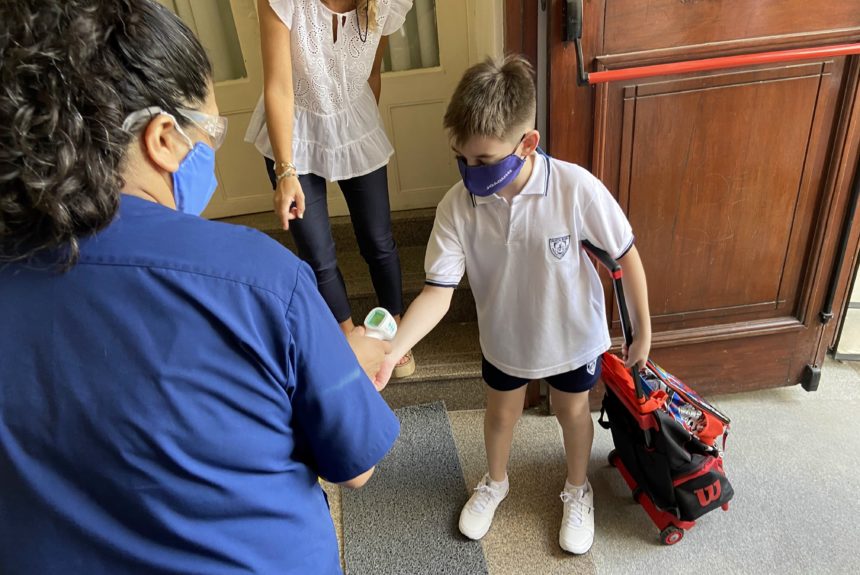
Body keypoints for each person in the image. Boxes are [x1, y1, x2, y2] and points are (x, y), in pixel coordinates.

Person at [0, 2, 398, 573]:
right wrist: (346, 361)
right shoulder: (261, 281)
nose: (210, 149)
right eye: (209, 130)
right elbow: (355, 466)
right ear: (163, 138)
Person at [374, 55, 652, 555]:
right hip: (504, 337)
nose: (470, 172)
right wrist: (394, 350)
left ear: (528, 143)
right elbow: (438, 293)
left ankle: (577, 487)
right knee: (501, 414)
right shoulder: (457, 206)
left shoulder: (574, 188)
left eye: (483, 161)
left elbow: (626, 255)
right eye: (461, 158)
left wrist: (643, 333)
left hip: (571, 336)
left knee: (572, 412)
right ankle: (495, 482)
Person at [245, 0, 416, 377]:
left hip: (355, 117)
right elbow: (278, 86)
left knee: (378, 239)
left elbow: (372, 72)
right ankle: (348, 341)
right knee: (318, 253)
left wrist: (358, 128)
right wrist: (285, 170)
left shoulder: (384, 2)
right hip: (294, 129)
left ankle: (395, 334)